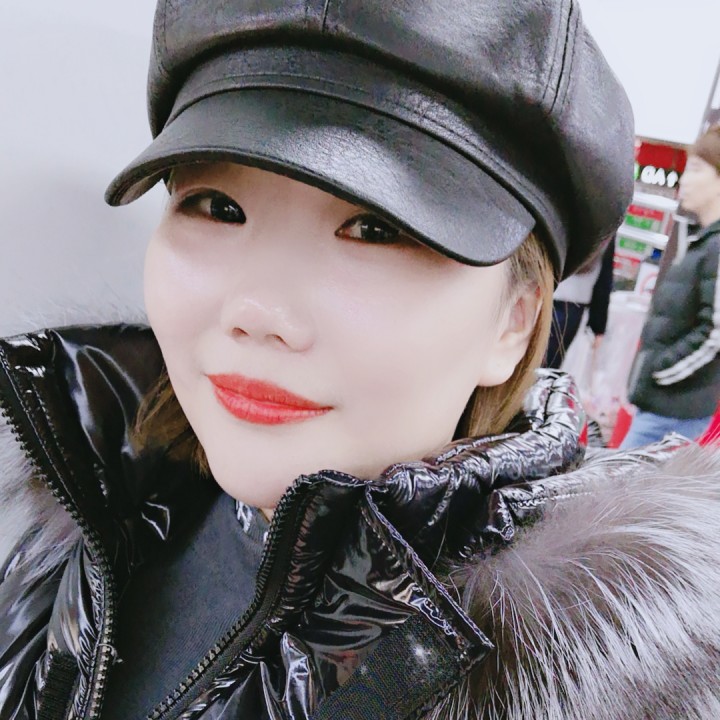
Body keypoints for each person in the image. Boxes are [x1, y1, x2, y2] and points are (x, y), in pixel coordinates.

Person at [1, 2, 720, 719]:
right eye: (218, 206)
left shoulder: (619, 687)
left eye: (374, 229)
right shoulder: (91, 495)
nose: (257, 311)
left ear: (515, 320)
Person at [622, 125, 720, 449]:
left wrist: (662, 371)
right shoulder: (703, 241)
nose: (684, 180)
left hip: (674, 409)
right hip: (665, 405)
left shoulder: (715, 247)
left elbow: (715, 333)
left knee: (618, 479)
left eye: (696, 169)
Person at [544, 238, 615, 369]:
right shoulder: (606, 229)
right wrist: (598, 326)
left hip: (541, 289)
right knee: (549, 364)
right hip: (573, 302)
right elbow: (604, 280)